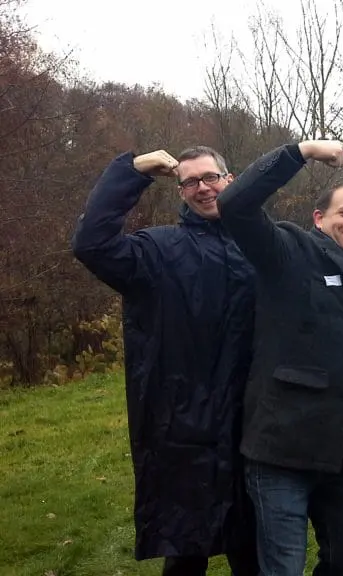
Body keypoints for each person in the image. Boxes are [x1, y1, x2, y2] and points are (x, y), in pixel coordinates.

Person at [71, 147, 258, 576]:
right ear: (180, 191)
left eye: (210, 177)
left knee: (251, 550)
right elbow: (92, 244)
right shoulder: (157, 250)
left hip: (249, 423)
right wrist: (131, 171)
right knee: (186, 547)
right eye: (190, 181)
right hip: (183, 426)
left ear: (230, 179)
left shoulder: (258, 245)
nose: (202, 188)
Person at [215, 140, 343, 576]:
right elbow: (234, 204)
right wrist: (301, 151)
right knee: (283, 568)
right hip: (280, 452)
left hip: (341, 452)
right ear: (319, 218)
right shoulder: (287, 252)